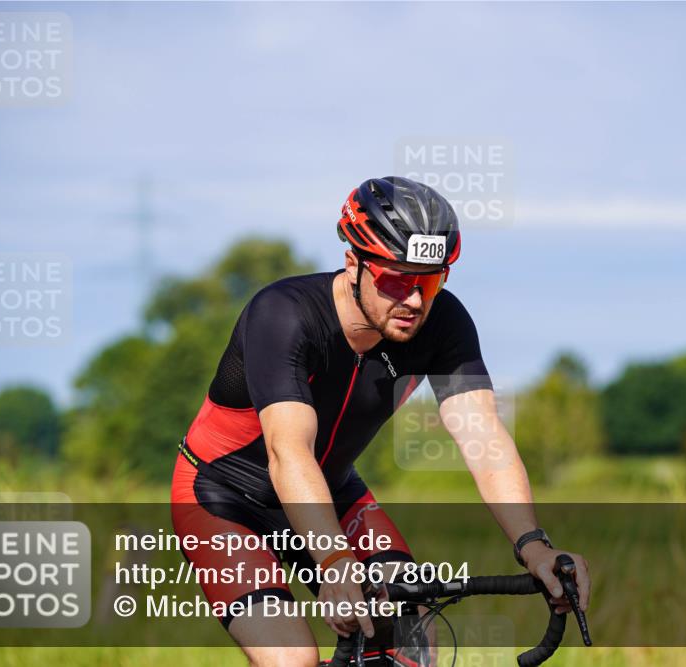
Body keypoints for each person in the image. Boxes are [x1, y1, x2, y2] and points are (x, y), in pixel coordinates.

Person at [170, 176, 590, 666]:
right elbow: (289, 453)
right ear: (354, 263)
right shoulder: (284, 314)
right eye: (395, 281)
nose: (413, 301)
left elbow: (483, 438)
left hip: (333, 490)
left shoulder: (444, 324)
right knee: (292, 659)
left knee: (414, 643)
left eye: (429, 281)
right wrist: (332, 561)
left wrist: (533, 546)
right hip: (225, 498)